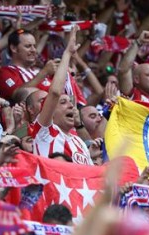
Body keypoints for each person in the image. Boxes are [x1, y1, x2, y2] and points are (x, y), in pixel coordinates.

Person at [29, 26, 92, 165]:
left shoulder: (79, 142)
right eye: (63, 102)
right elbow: (55, 92)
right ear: (50, 111)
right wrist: (67, 54)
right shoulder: (44, 132)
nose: (71, 105)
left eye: (70, 102)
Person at [0, 30, 55, 100]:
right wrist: (44, 72)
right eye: (28, 46)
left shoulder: (38, 70)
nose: (34, 50)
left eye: (34, 46)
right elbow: (17, 95)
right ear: (14, 48)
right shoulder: (5, 72)